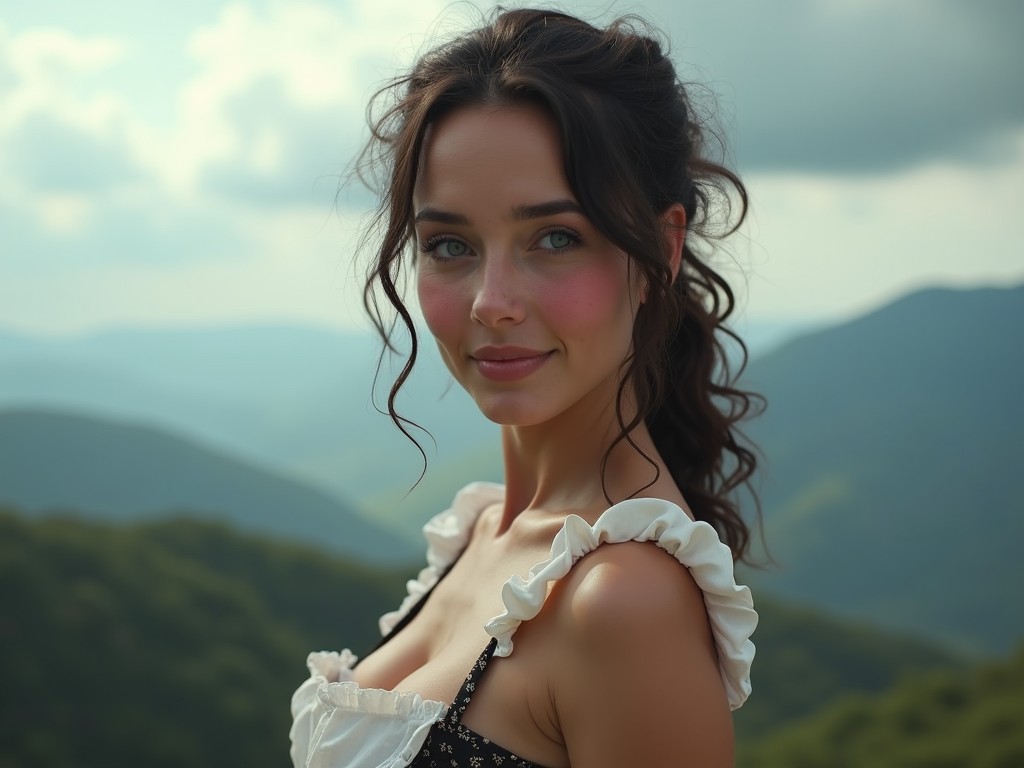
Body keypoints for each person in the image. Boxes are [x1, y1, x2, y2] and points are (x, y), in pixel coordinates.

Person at [291, 8, 760, 767]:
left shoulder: (621, 602)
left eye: (555, 237)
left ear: (661, 250)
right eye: (450, 245)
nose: (491, 301)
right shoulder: (482, 533)